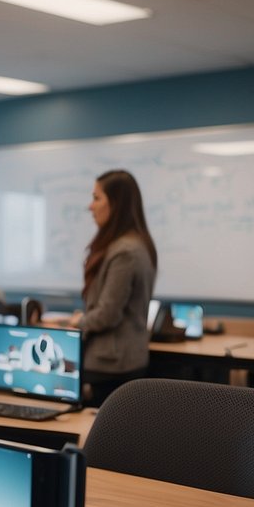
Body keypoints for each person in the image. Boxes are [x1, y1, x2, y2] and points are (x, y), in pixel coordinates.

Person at [68, 169, 157, 407]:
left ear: (116, 204)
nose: (90, 206)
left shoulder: (125, 251)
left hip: (112, 365)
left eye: (97, 198)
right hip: (117, 361)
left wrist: (78, 322)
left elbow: (108, 313)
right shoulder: (130, 245)